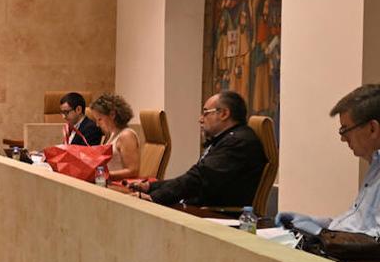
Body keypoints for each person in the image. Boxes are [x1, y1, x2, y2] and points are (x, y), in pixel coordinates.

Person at [130, 91, 265, 207]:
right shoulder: (226, 139)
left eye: (205, 113)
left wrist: (155, 198)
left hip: (216, 215)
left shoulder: (238, 143)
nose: (200, 119)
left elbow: (198, 179)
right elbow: (195, 176)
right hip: (201, 208)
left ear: (224, 114)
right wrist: (151, 187)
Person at [280, 84, 380, 236]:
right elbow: (357, 223)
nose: (343, 139)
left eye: (345, 130)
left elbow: (374, 240)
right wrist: (316, 223)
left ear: (372, 129)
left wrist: (323, 235)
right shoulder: (375, 164)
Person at [90, 93, 140, 180]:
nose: (97, 124)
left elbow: (133, 171)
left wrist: (102, 175)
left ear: (112, 114)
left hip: (119, 185)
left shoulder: (127, 135)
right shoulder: (112, 134)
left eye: (100, 119)